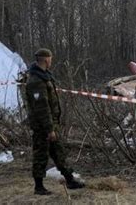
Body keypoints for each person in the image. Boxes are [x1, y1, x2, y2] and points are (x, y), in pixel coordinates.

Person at [25, 48, 85, 195]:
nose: (51, 61)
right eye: (50, 59)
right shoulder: (36, 81)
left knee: (59, 153)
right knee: (41, 154)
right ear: (46, 60)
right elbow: (42, 107)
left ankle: (70, 180)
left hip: (51, 124)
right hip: (43, 127)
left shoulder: (44, 77)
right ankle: (38, 186)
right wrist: (49, 128)